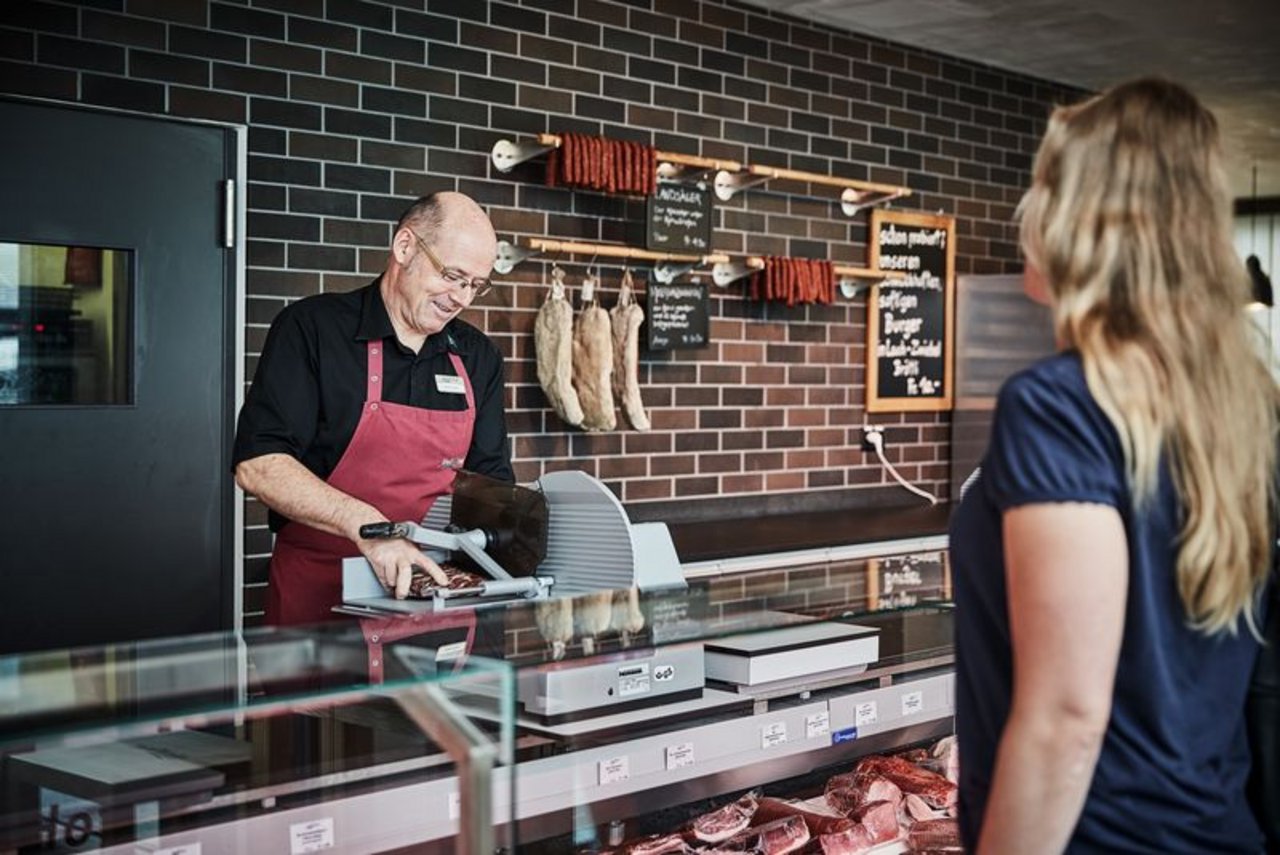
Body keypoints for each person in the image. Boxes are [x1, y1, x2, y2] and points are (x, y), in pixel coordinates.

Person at [950, 78, 1277, 853]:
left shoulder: (1059, 404)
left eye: (1043, 184)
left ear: (1086, 216)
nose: (1026, 211)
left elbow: (1066, 718)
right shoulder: (1235, 405)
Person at [233, 192, 513, 626]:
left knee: (425, 699)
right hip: (317, 600)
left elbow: (491, 488)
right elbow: (259, 464)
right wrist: (369, 527)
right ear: (405, 248)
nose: (462, 298)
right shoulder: (313, 329)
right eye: (453, 276)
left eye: (475, 285)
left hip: (432, 595)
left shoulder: (478, 358)